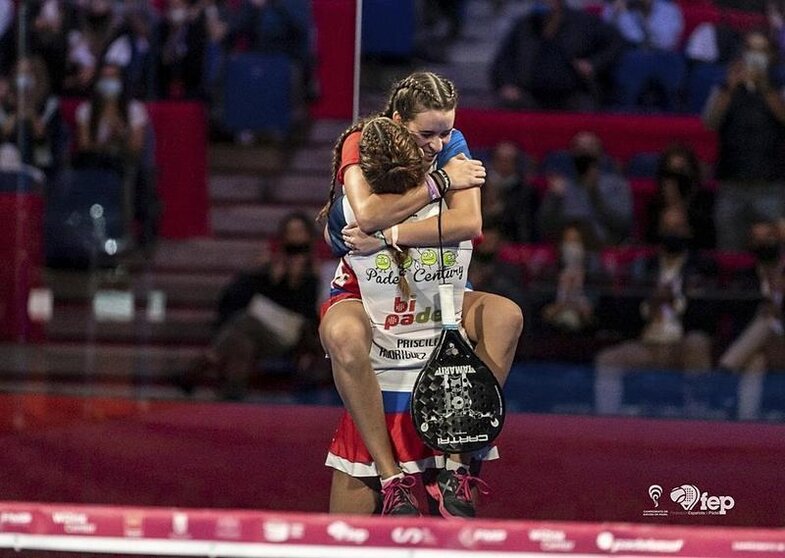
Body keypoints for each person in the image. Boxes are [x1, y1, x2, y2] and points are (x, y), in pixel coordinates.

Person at [318, 72, 523, 517]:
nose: (438, 143)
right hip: (367, 293)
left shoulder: (452, 143)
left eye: (446, 131)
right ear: (396, 121)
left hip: (439, 293)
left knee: (506, 315)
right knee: (344, 336)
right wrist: (439, 184)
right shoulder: (360, 143)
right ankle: (393, 477)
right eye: (427, 133)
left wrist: (392, 236)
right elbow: (367, 215)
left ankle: (462, 451)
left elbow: (469, 224)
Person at [179, 211, 321, 400]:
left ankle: (201, 366)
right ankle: (232, 395)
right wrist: (268, 276)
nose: (294, 236)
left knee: (244, 322)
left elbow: (308, 311)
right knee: (243, 341)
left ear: (308, 235)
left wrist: (297, 280)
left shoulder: (314, 269)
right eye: (290, 231)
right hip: (261, 328)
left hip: (288, 334)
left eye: (299, 231)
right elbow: (241, 293)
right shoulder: (272, 265)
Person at [594, 207, 715, 414]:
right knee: (607, 359)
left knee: (698, 343)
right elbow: (625, 313)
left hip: (682, 342)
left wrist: (677, 303)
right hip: (648, 343)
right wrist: (649, 305)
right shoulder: (644, 266)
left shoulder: (702, 266)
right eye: (667, 228)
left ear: (688, 231)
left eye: (677, 228)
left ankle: (697, 418)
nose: (672, 233)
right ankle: (607, 423)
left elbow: (708, 315)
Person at [702, 30, 785, 250]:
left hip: (770, 186)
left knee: (772, 252)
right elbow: (709, 122)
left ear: (771, 55)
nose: (756, 56)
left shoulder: (780, 86)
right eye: (751, 50)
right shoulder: (726, 86)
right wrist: (729, 87)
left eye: (762, 50)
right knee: (730, 253)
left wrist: (766, 87)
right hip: (731, 186)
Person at [75, 62, 159, 249]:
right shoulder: (86, 110)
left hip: (125, 162)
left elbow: (136, 147)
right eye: (104, 78)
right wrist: (104, 143)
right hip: (96, 163)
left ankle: (125, 234)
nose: (109, 82)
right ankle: (91, 233)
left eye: (113, 78)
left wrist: (119, 131)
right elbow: (85, 146)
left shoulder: (135, 109)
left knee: (129, 177)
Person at [489, 0, 623, 111]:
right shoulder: (525, 26)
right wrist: (506, 84)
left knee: (586, 108)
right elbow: (502, 61)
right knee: (507, 104)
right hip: (530, 94)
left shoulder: (582, 23)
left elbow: (616, 42)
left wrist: (593, 64)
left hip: (572, 93)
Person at [537, 131, 633, 246]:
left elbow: (622, 225)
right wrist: (555, 199)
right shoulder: (562, 185)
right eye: (580, 149)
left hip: (604, 244)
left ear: (600, 154)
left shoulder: (616, 185)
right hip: (567, 242)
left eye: (589, 148)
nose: (585, 154)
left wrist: (594, 193)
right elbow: (545, 226)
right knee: (571, 234)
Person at [602, 0, 686, 111]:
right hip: (629, 55)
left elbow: (667, 41)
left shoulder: (669, 9)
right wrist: (617, 14)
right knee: (632, 61)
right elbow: (606, 36)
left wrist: (644, 19)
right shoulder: (615, 8)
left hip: (662, 55)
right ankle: (624, 113)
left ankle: (674, 112)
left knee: (673, 61)